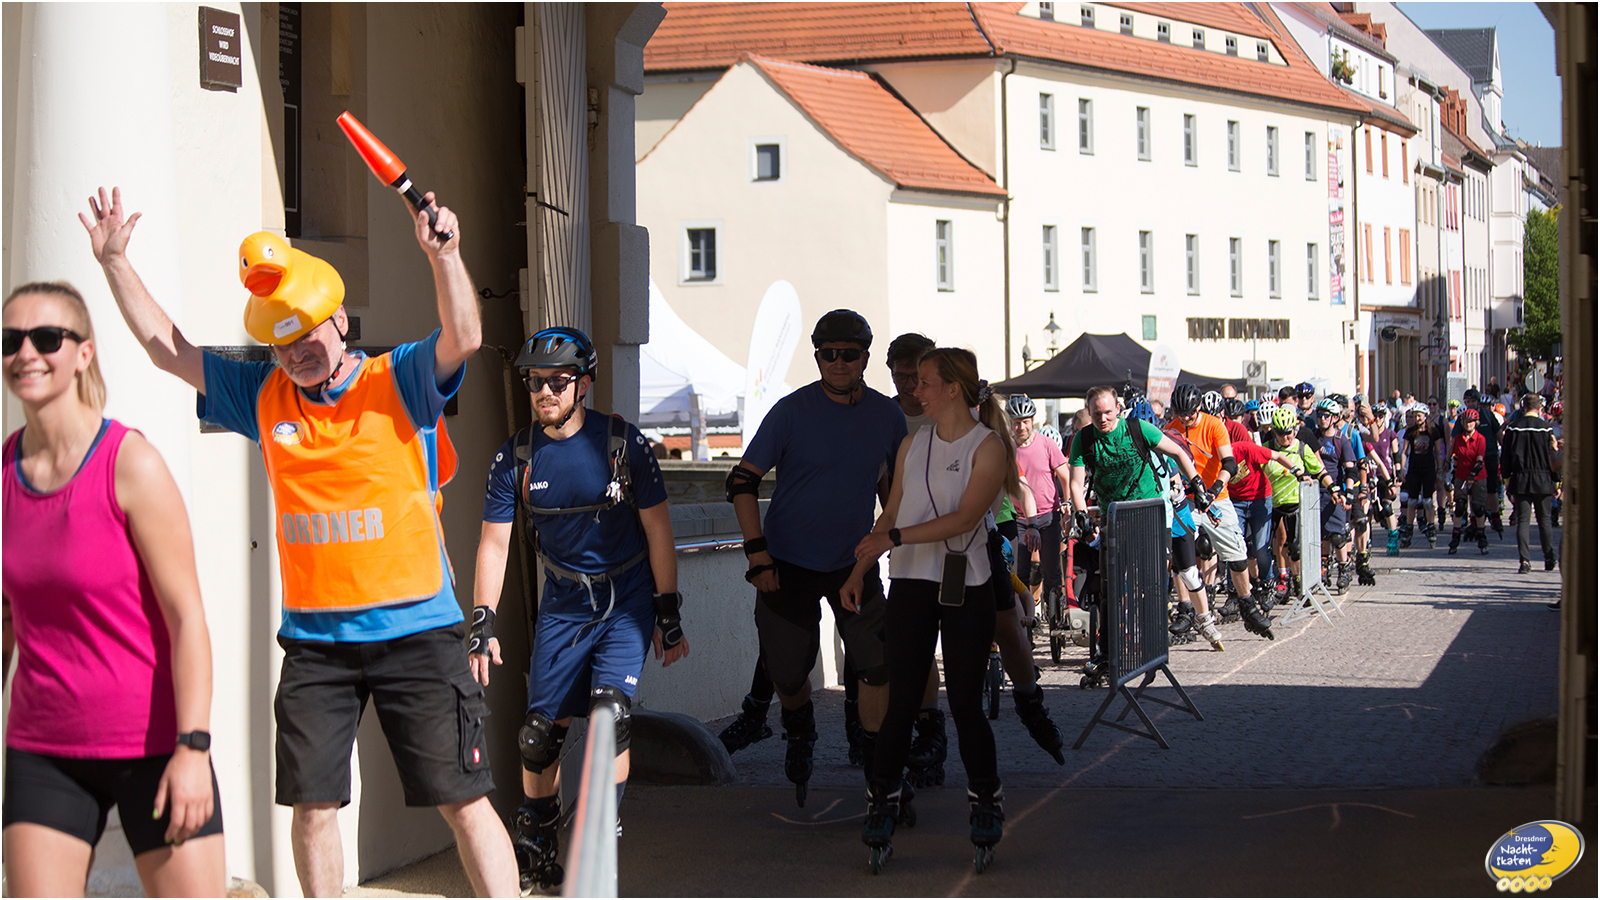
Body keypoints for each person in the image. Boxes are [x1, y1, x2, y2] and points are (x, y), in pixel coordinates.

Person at [82, 187, 517, 896]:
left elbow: (463, 336)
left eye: (308, 335)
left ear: (340, 320)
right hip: (317, 646)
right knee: (313, 809)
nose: (297, 353)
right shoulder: (263, 395)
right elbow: (172, 352)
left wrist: (447, 256)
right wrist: (115, 263)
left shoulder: (398, 378)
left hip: (419, 632)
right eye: (281, 344)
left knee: (462, 800)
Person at [2, 282, 225, 897]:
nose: (26, 353)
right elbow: (6, 618)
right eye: (11, 340)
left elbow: (187, 619)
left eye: (47, 338)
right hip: (43, 748)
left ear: (84, 353)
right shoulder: (3, 475)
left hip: (154, 745)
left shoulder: (130, 464)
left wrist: (193, 748)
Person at [470, 327, 687, 893]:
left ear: (583, 384)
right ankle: (539, 842)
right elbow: (494, 544)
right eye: (535, 382)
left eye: (558, 381)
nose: (544, 391)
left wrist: (667, 610)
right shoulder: (516, 457)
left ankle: (598, 835)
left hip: (625, 599)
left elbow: (658, 529)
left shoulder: (622, 445)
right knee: (538, 736)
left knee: (609, 715)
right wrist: (482, 620)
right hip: (564, 606)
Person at [729, 310, 904, 808]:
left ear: (865, 358)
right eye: (829, 354)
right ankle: (799, 724)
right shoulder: (791, 411)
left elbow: (894, 491)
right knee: (786, 672)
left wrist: (894, 541)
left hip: (854, 564)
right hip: (786, 563)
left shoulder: (886, 416)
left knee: (877, 665)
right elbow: (741, 481)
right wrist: (758, 555)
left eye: (849, 354)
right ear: (817, 357)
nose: (839, 362)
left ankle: (879, 766)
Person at [848, 347, 1012, 873]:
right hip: (912, 583)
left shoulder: (988, 446)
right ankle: (882, 801)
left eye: (924, 381)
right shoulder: (913, 443)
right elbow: (891, 511)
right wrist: (858, 570)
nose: (914, 390)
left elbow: (965, 519)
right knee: (900, 701)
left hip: (967, 585)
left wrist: (894, 537)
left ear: (953, 389)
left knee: (964, 702)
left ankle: (985, 800)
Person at [1166, 384, 1275, 637]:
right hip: (1187, 499)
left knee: (1237, 555)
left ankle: (1247, 605)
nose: (1186, 418)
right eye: (1181, 413)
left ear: (1199, 407)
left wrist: (1214, 490)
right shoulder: (1171, 429)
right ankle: (1185, 609)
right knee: (1181, 555)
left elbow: (1229, 463)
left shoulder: (1214, 425)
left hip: (1216, 497)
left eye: (1190, 413)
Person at [1262, 405, 1332, 600]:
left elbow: (1320, 471)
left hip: (1296, 503)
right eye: (1281, 433)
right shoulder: (1267, 448)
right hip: (1273, 503)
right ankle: (1282, 578)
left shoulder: (1301, 447)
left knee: (1295, 547)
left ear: (1295, 429)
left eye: (1289, 432)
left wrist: (1334, 489)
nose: (1286, 438)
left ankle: (1299, 581)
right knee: (1276, 542)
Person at [1007, 393, 1071, 605]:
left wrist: (1067, 503)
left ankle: (1054, 612)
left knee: (1051, 572)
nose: (1021, 427)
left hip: (1048, 515)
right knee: (1021, 573)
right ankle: (1025, 617)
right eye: (1017, 423)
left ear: (1033, 421)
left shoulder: (1046, 444)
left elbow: (1065, 476)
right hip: (1019, 518)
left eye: (1025, 422)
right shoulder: (1008, 448)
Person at [1500, 394, 1559, 573]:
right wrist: (1557, 481)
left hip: (1521, 478)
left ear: (1523, 407)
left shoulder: (1513, 428)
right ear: (1540, 408)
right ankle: (1549, 557)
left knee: (1523, 521)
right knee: (1544, 520)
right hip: (1543, 478)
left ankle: (1525, 561)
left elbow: (1506, 457)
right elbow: (1553, 456)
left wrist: (1507, 480)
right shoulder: (1546, 428)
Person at [1446, 408, 1491, 555]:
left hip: (1478, 476)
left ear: (1476, 423)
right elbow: (1453, 454)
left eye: (1471, 421)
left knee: (1477, 508)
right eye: (1466, 421)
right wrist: (1447, 464)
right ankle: (1455, 537)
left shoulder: (1480, 439)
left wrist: (1473, 472)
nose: (1468, 424)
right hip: (1461, 475)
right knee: (1459, 506)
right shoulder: (1458, 438)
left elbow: (1480, 460)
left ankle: (1481, 536)